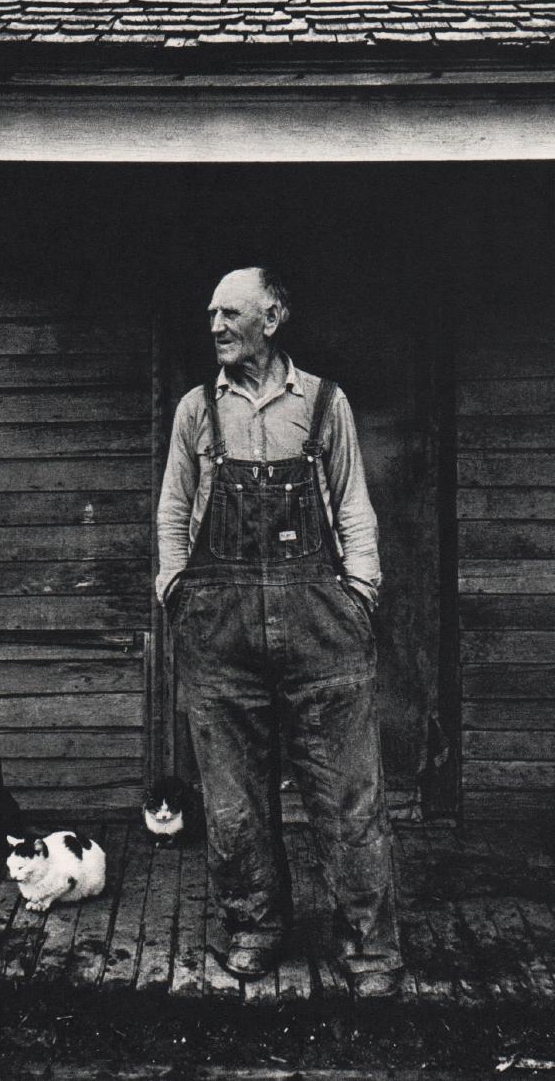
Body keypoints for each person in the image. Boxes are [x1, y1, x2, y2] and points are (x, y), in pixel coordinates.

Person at [156, 267, 403, 997]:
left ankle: (367, 949)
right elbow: (173, 511)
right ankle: (255, 928)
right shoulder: (197, 410)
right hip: (221, 629)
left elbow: (354, 506)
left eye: (230, 313)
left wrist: (359, 591)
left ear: (273, 316)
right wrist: (176, 588)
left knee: (347, 798)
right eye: (210, 314)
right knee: (233, 801)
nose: (215, 325)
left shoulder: (324, 403)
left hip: (319, 623)